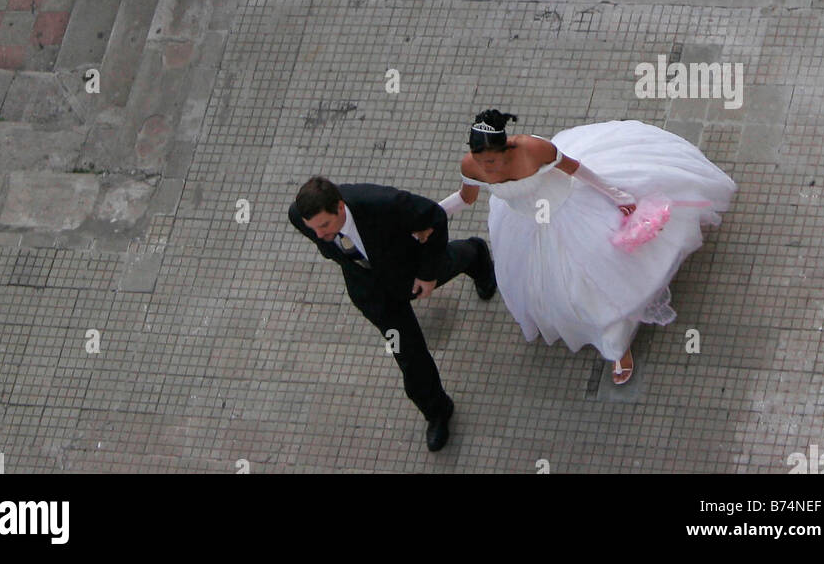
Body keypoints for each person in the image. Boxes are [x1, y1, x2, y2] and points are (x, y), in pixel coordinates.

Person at [438, 110, 736, 385]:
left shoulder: (534, 149)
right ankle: (607, 335)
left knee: (599, 281)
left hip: (573, 211)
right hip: (528, 225)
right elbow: (466, 198)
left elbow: (578, 170)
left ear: (507, 148)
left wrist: (617, 195)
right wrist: (432, 214)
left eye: (492, 160)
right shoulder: (471, 164)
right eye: (481, 161)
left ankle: (617, 346)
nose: (487, 167)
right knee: (556, 289)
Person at [289, 175, 496, 451]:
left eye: (324, 226)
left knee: (448, 263)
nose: (320, 235)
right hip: (373, 293)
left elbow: (434, 217)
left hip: (408, 269)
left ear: (340, 207)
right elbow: (327, 243)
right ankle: (437, 410)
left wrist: (427, 274)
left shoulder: (381, 203)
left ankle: (476, 254)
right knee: (408, 355)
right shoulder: (299, 217)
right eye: (313, 229)